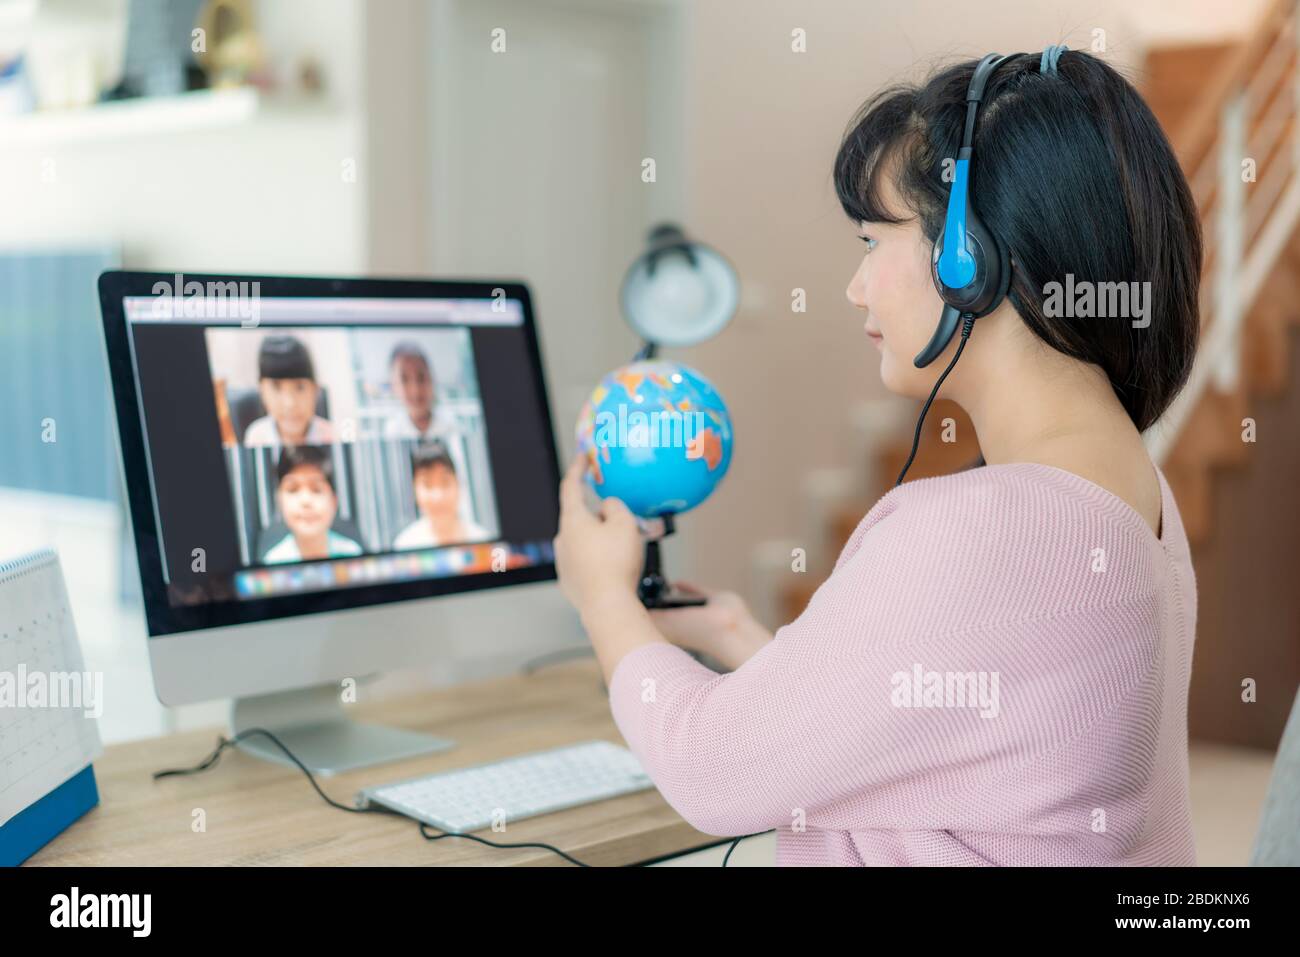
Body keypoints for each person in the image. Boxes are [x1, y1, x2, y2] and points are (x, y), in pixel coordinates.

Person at [554, 49, 1201, 866]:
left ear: (967, 254)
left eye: (872, 240)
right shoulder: (1130, 491)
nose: (857, 287)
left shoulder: (983, 531)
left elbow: (710, 772)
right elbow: (962, 740)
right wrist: (735, 633)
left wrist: (600, 594)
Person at [262, 446, 362, 563]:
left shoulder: (352, 553)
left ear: (334, 501)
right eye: (293, 489)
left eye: (316, 489)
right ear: (279, 501)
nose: (306, 501)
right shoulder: (272, 561)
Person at [392, 440, 492, 549]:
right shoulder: (404, 545)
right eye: (427, 484)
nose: (438, 496)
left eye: (445, 482)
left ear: (459, 484)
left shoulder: (485, 541)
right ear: (414, 490)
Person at [244, 335, 336, 447]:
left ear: (315, 390)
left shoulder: (332, 437)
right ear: (262, 391)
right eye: (276, 388)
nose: (290, 403)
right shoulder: (257, 437)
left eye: (300, 387)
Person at [383, 341, 458, 442]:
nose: (415, 390)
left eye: (421, 377)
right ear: (394, 386)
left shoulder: (450, 424)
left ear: (431, 379)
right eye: (404, 379)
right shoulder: (393, 430)